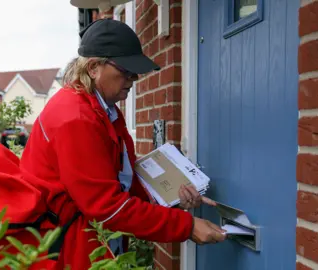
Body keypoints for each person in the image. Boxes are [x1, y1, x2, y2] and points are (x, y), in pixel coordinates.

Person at [19, 18, 226, 270]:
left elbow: (119, 174)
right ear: (94, 67)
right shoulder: (75, 118)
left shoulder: (102, 109)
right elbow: (106, 207)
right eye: (126, 70)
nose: (134, 78)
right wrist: (187, 226)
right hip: (68, 249)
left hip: (88, 239)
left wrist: (170, 195)